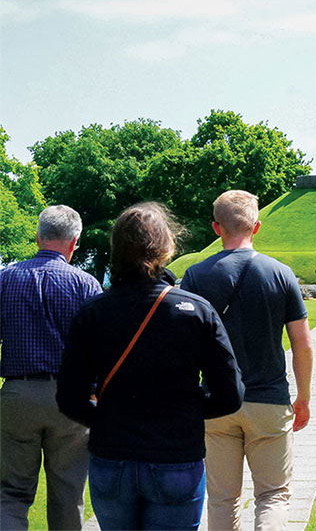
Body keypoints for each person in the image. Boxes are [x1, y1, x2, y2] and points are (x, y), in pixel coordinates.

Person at [56, 202, 243, 531]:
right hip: (175, 454)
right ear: (166, 247)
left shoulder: (93, 313)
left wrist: (104, 417)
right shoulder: (196, 311)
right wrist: (185, 409)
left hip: (113, 453)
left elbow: (69, 396)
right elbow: (230, 394)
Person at [180, 190, 313, 531]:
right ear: (257, 226)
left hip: (216, 402)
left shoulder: (196, 276)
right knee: (273, 495)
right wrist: (304, 398)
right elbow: (302, 343)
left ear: (215, 227)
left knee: (223, 499)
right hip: (268, 399)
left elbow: (186, 345)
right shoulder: (280, 273)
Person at [0, 205, 102, 531]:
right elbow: (100, 350)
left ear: (38, 236)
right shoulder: (86, 285)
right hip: (71, 398)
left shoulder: (5, 279)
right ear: (74, 242)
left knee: (11, 495)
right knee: (68, 493)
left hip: (18, 392)